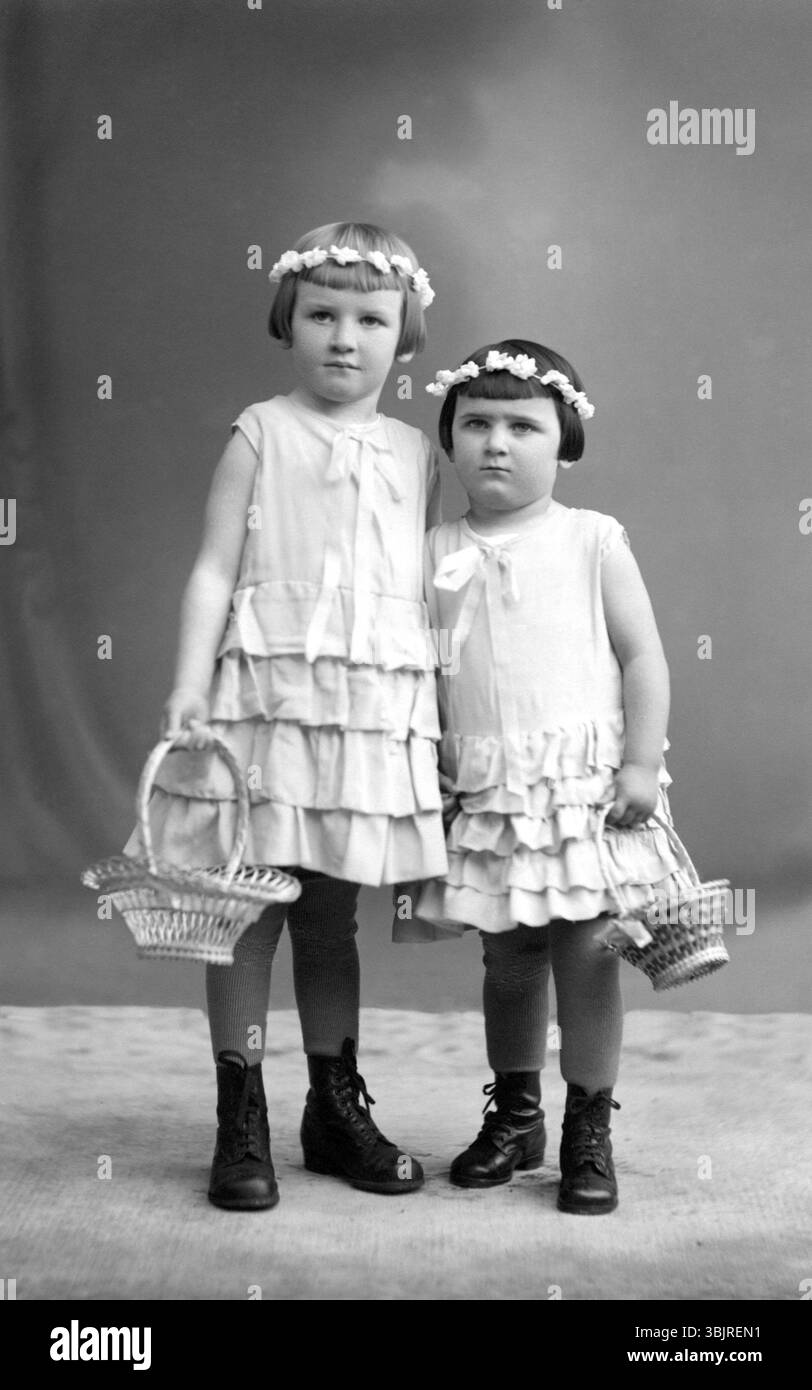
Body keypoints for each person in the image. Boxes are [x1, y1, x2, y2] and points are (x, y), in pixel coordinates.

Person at [124, 222, 448, 1209]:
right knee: (247, 903)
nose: (344, 337)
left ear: (403, 336)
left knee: (329, 917)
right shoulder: (260, 430)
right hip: (263, 698)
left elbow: (439, 584)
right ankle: (241, 1109)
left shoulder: (412, 449)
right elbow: (215, 568)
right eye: (321, 314)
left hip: (367, 705)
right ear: (286, 321)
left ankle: (332, 1102)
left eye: (369, 318)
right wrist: (188, 686)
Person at [400, 340, 685, 1215]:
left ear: (563, 443)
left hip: (583, 788)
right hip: (485, 791)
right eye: (476, 423)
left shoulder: (591, 539)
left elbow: (643, 656)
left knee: (587, 954)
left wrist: (642, 759)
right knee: (509, 958)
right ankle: (516, 1115)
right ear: (449, 440)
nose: (497, 442)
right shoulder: (434, 549)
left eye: (523, 425)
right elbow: (416, 668)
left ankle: (587, 1126)